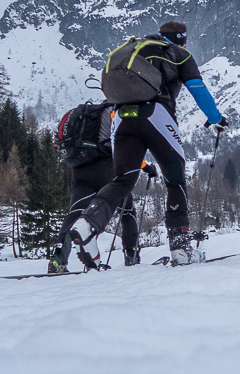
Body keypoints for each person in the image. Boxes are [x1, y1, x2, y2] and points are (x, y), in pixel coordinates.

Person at [69, 21, 229, 267]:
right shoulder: (179, 54)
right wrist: (216, 119)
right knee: (175, 178)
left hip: (122, 118)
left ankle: (88, 223)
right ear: (181, 39)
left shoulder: (137, 52)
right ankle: (180, 248)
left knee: (122, 181)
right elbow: (198, 88)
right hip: (155, 115)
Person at [48, 104, 159, 273]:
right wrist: (144, 166)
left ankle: (57, 259)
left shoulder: (85, 118)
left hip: (79, 171)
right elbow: (123, 146)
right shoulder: (114, 113)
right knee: (127, 211)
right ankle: (132, 257)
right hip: (107, 168)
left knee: (75, 214)